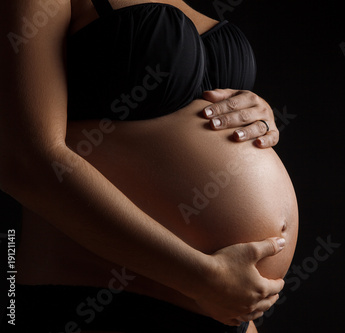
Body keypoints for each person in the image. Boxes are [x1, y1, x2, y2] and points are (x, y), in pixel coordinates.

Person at [0, 0, 299, 332]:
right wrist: (202, 277)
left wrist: (257, 112)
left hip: (226, 309)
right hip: (101, 299)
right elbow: (26, 162)